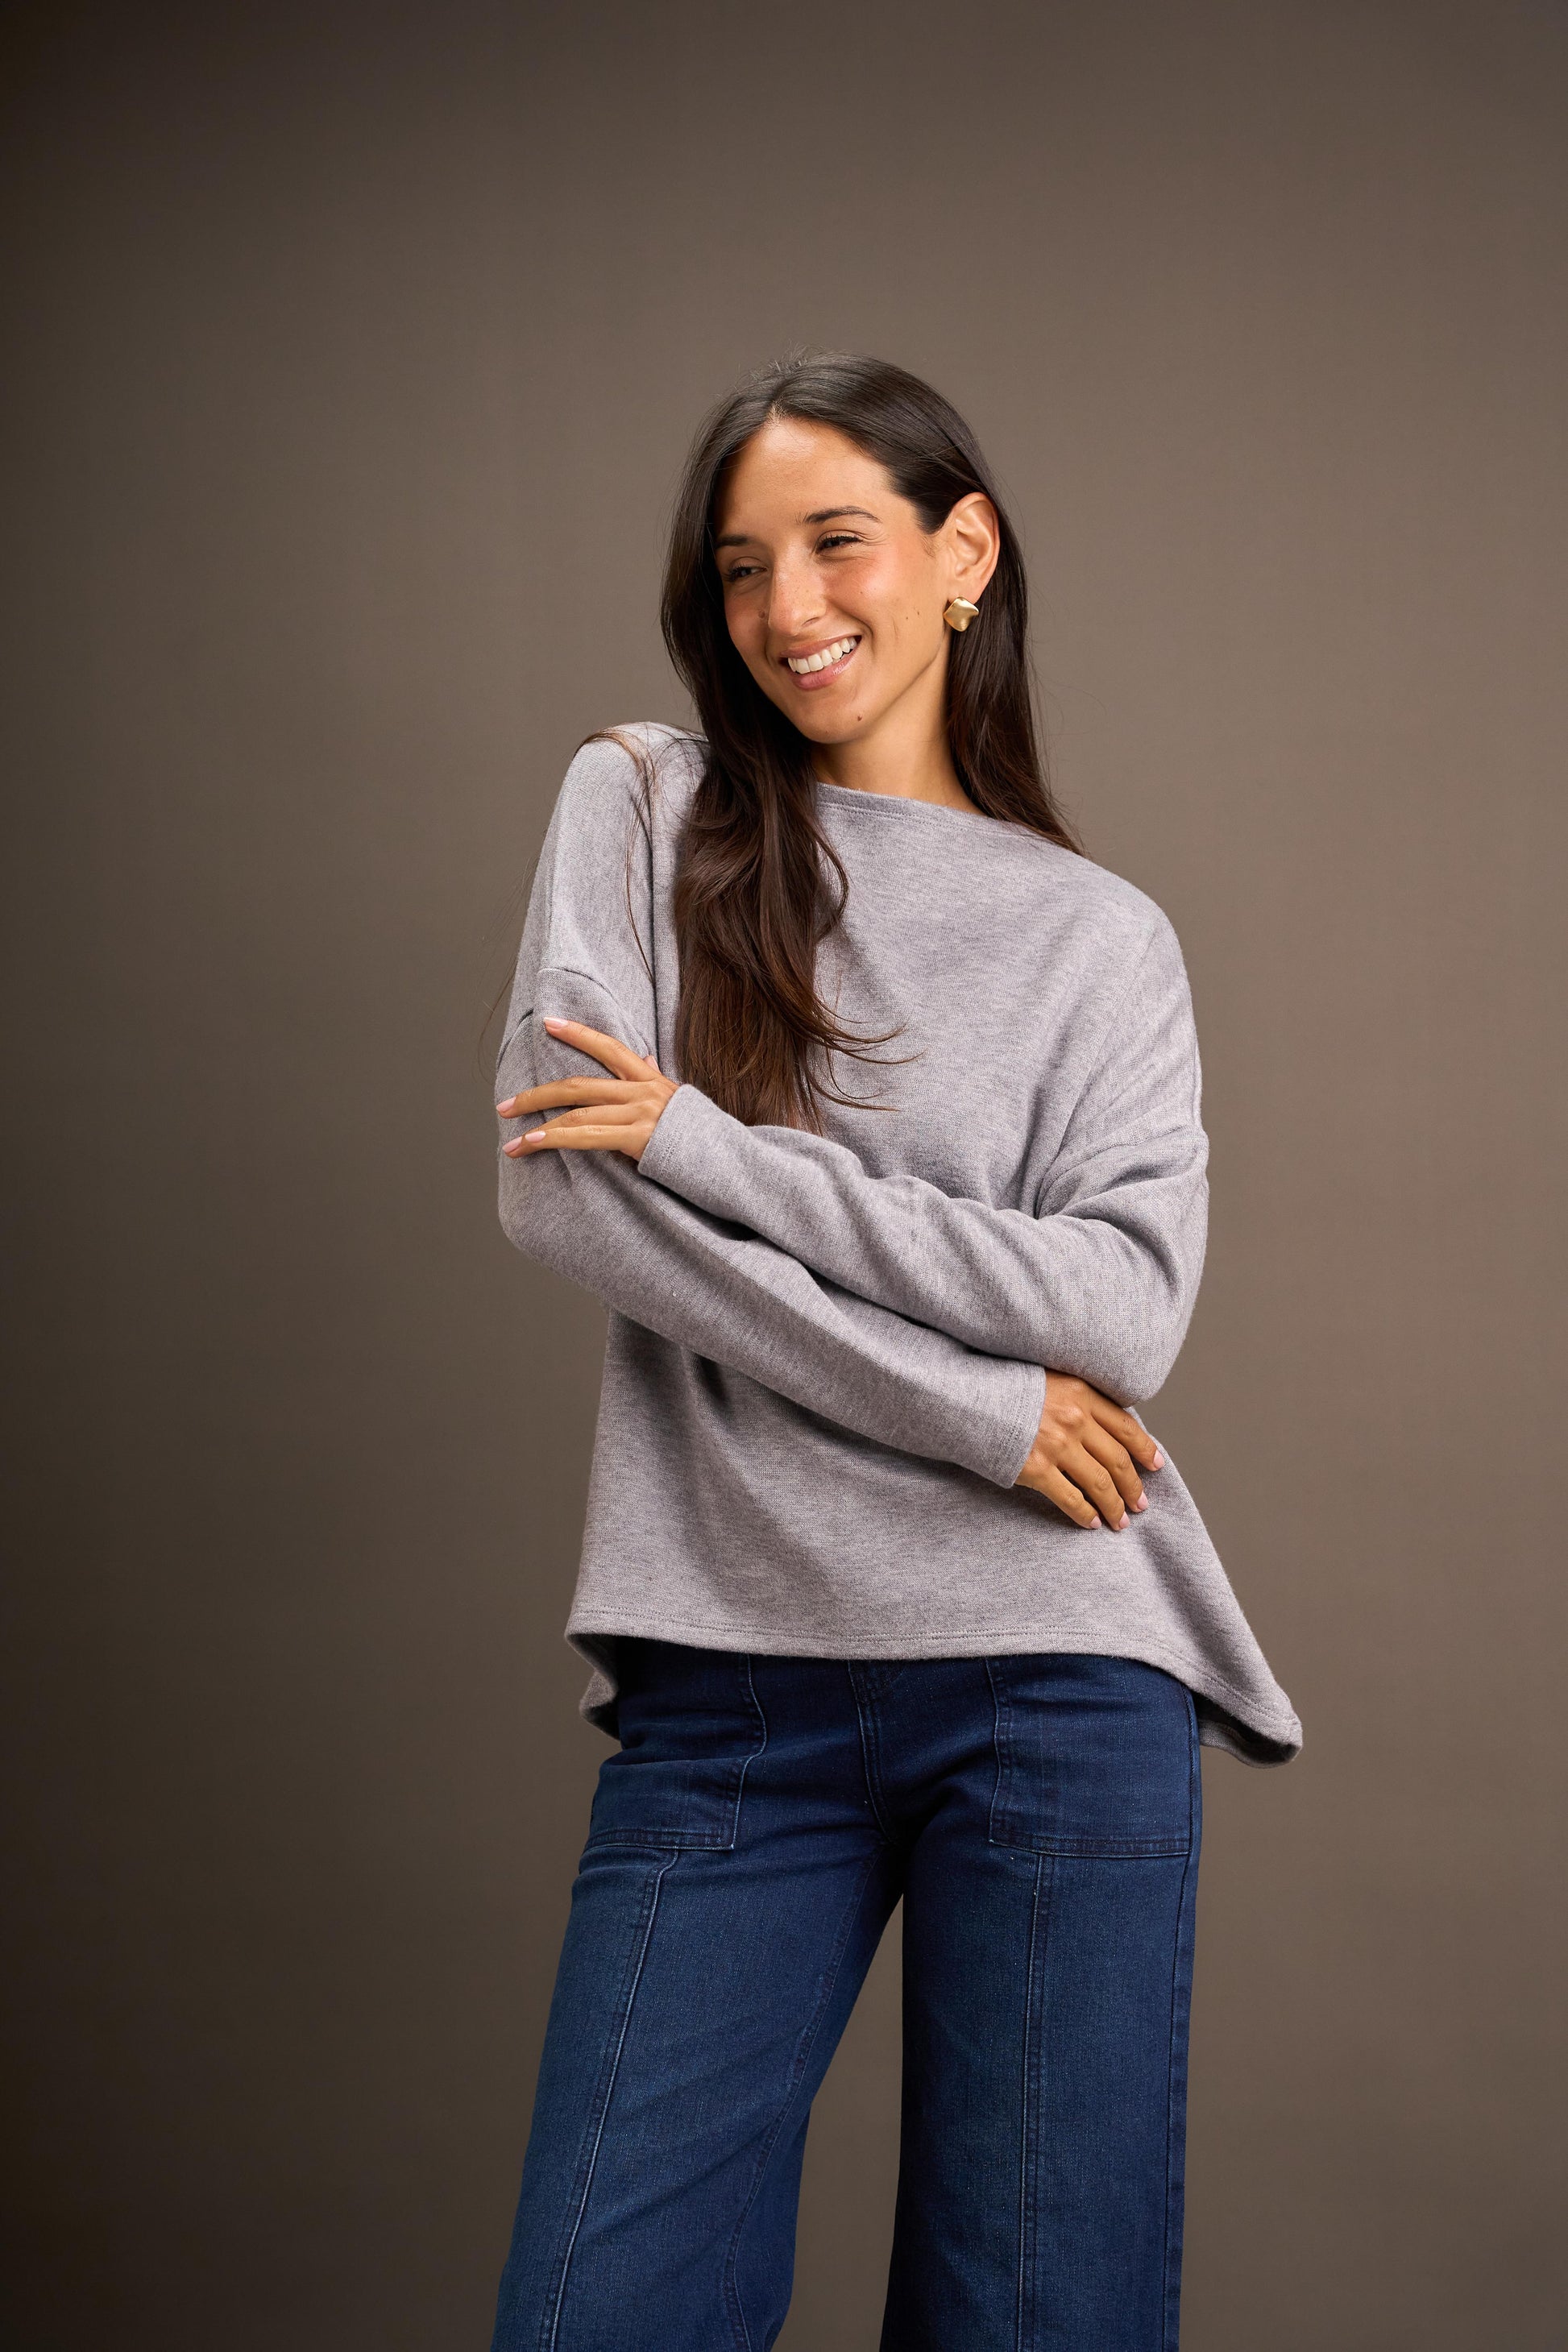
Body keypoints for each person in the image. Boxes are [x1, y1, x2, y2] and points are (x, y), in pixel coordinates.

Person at [487, 352, 1299, 2352]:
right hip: (731, 1677)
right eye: (740, 563)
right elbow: (566, 1196)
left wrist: (709, 1148)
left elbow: (1119, 1309)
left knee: (1035, 2319)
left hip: (1058, 1670)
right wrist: (974, 1409)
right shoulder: (644, 804)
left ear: (962, 552)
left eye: (836, 541)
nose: (788, 606)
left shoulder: (1100, 936)